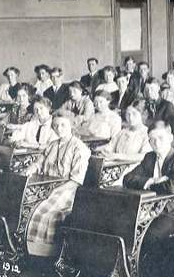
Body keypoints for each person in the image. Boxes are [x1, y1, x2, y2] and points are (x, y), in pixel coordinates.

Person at [123, 123, 174, 277]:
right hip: (150, 209)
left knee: (151, 235)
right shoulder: (149, 157)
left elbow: (173, 187)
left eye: (160, 138)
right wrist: (152, 181)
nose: (156, 143)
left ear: (170, 137)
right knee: (125, 227)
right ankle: (130, 275)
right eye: (152, 139)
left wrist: (150, 185)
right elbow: (128, 179)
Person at [24, 111, 91, 256]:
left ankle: (41, 251)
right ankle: (23, 246)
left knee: (42, 212)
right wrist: (31, 168)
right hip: (46, 186)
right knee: (25, 205)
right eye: (55, 125)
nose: (59, 129)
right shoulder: (52, 144)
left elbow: (76, 180)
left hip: (68, 190)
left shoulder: (79, 148)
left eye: (63, 125)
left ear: (71, 125)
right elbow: (39, 161)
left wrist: (54, 191)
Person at [94, 105, 151, 185]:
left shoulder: (146, 134)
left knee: (102, 182)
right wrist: (97, 150)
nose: (130, 117)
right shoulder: (123, 132)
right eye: (128, 114)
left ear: (142, 115)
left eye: (134, 114)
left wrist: (118, 156)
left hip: (133, 169)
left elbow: (144, 156)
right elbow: (110, 146)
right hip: (115, 165)